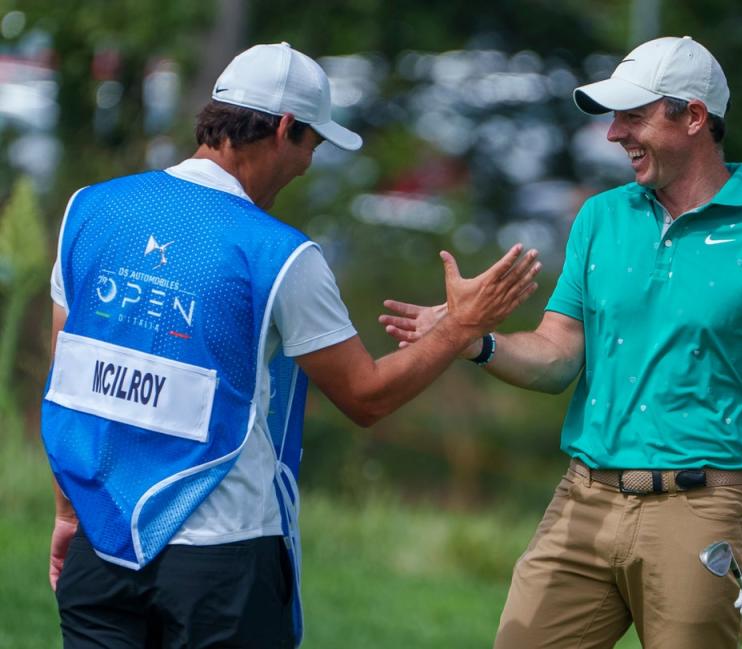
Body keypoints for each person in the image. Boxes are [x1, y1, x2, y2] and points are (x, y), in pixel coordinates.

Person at [41, 42, 540, 649]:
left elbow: (71, 384)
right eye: (313, 143)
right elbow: (366, 396)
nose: (308, 163)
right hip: (223, 559)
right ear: (284, 129)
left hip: (102, 539)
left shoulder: (90, 208)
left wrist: (70, 509)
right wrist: (462, 327)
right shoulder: (280, 252)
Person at [380, 35, 742, 649]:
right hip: (583, 498)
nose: (613, 133)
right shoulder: (600, 218)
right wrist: (472, 340)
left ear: (694, 117)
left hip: (700, 513)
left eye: (633, 116)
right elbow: (558, 352)